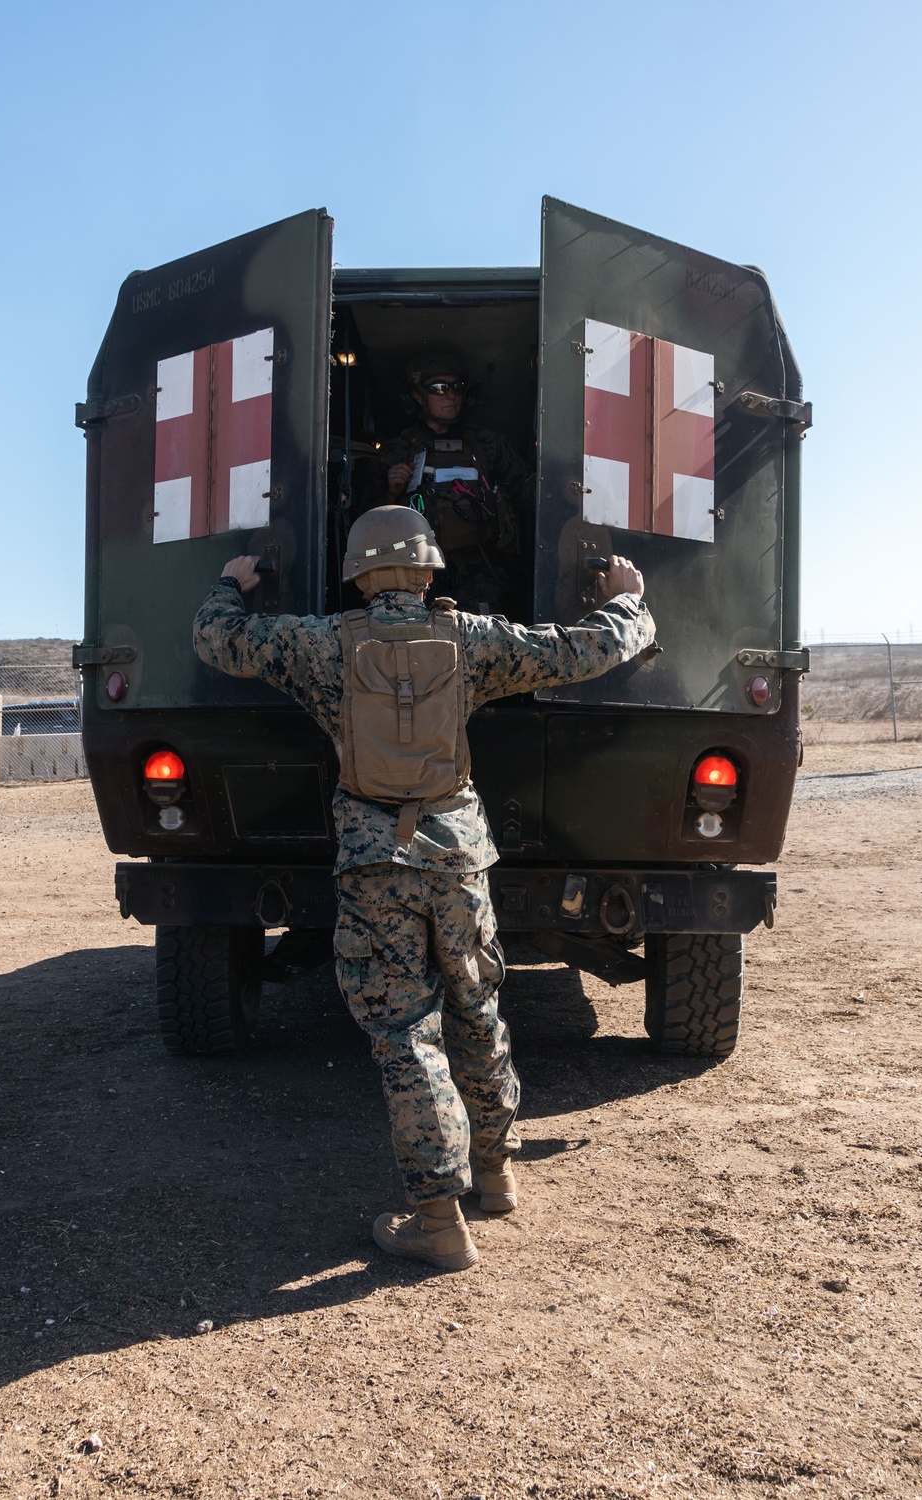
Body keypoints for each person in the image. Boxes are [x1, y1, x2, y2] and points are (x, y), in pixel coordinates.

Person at [193, 505, 654, 1273]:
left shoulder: (318, 645)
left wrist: (228, 584)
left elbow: (218, 641)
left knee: (407, 1031)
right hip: (459, 856)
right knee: (477, 1007)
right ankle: (497, 1173)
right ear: (429, 569)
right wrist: (629, 597)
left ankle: (439, 1219)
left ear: (358, 575)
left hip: (376, 862)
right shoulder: (470, 638)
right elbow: (587, 650)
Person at [365, 352, 532, 616]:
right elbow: (364, 525)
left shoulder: (488, 445)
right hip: (414, 574)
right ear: (418, 396)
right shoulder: (397, 451)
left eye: (457, 387)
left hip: (478, 572)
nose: (450, 395)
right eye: (439, 388)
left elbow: (527, 489)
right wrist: (391, 491)